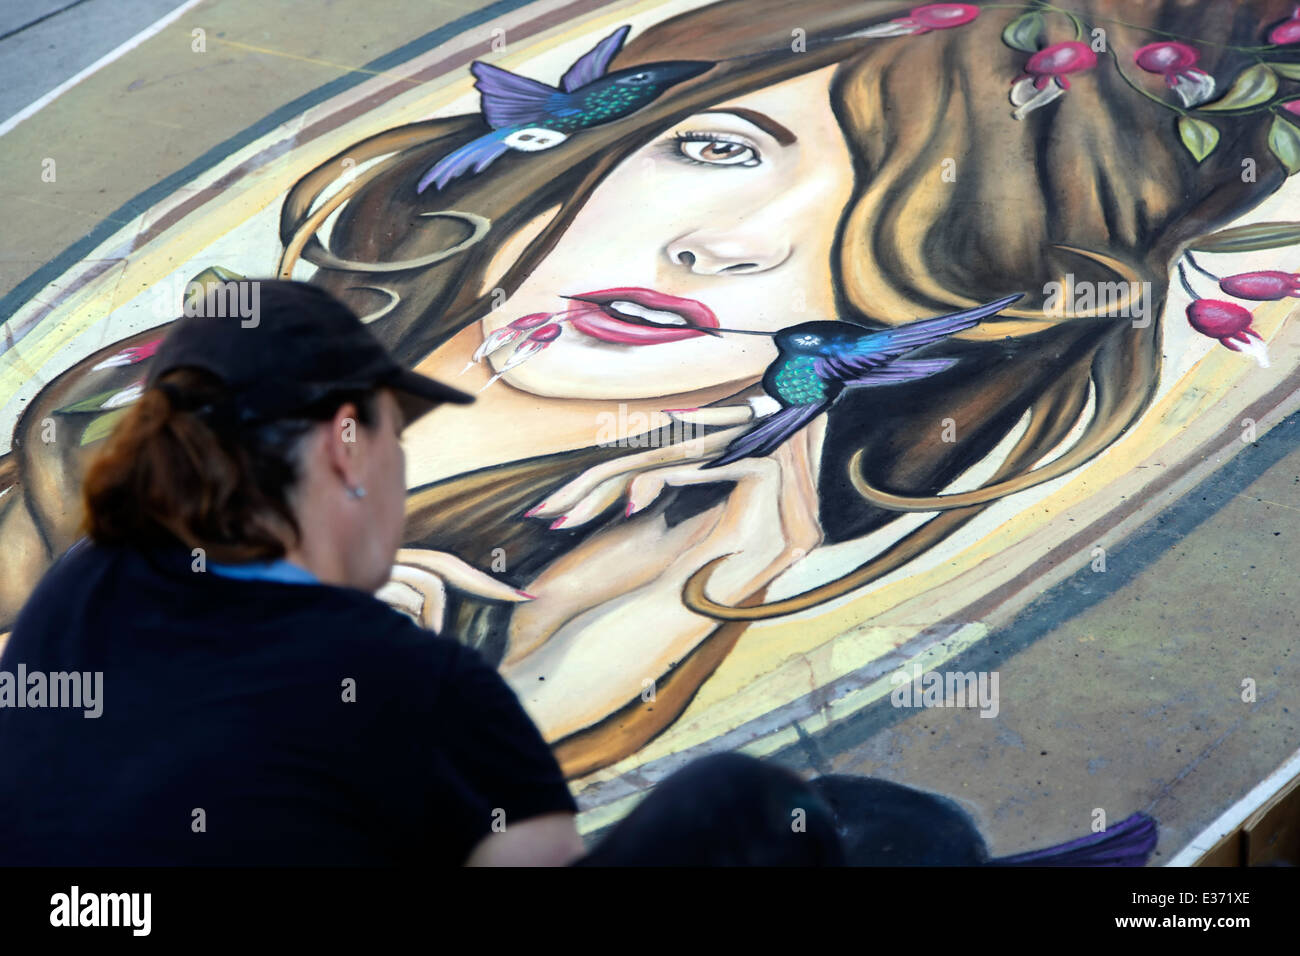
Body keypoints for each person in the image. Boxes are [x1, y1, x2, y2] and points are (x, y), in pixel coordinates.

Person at [2, 0, 1293, 782]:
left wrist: (687, 589)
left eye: (887, 228)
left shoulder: (668, 554)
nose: (728, 242)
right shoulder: (177, 399)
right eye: (720, 147)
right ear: (582, 152)